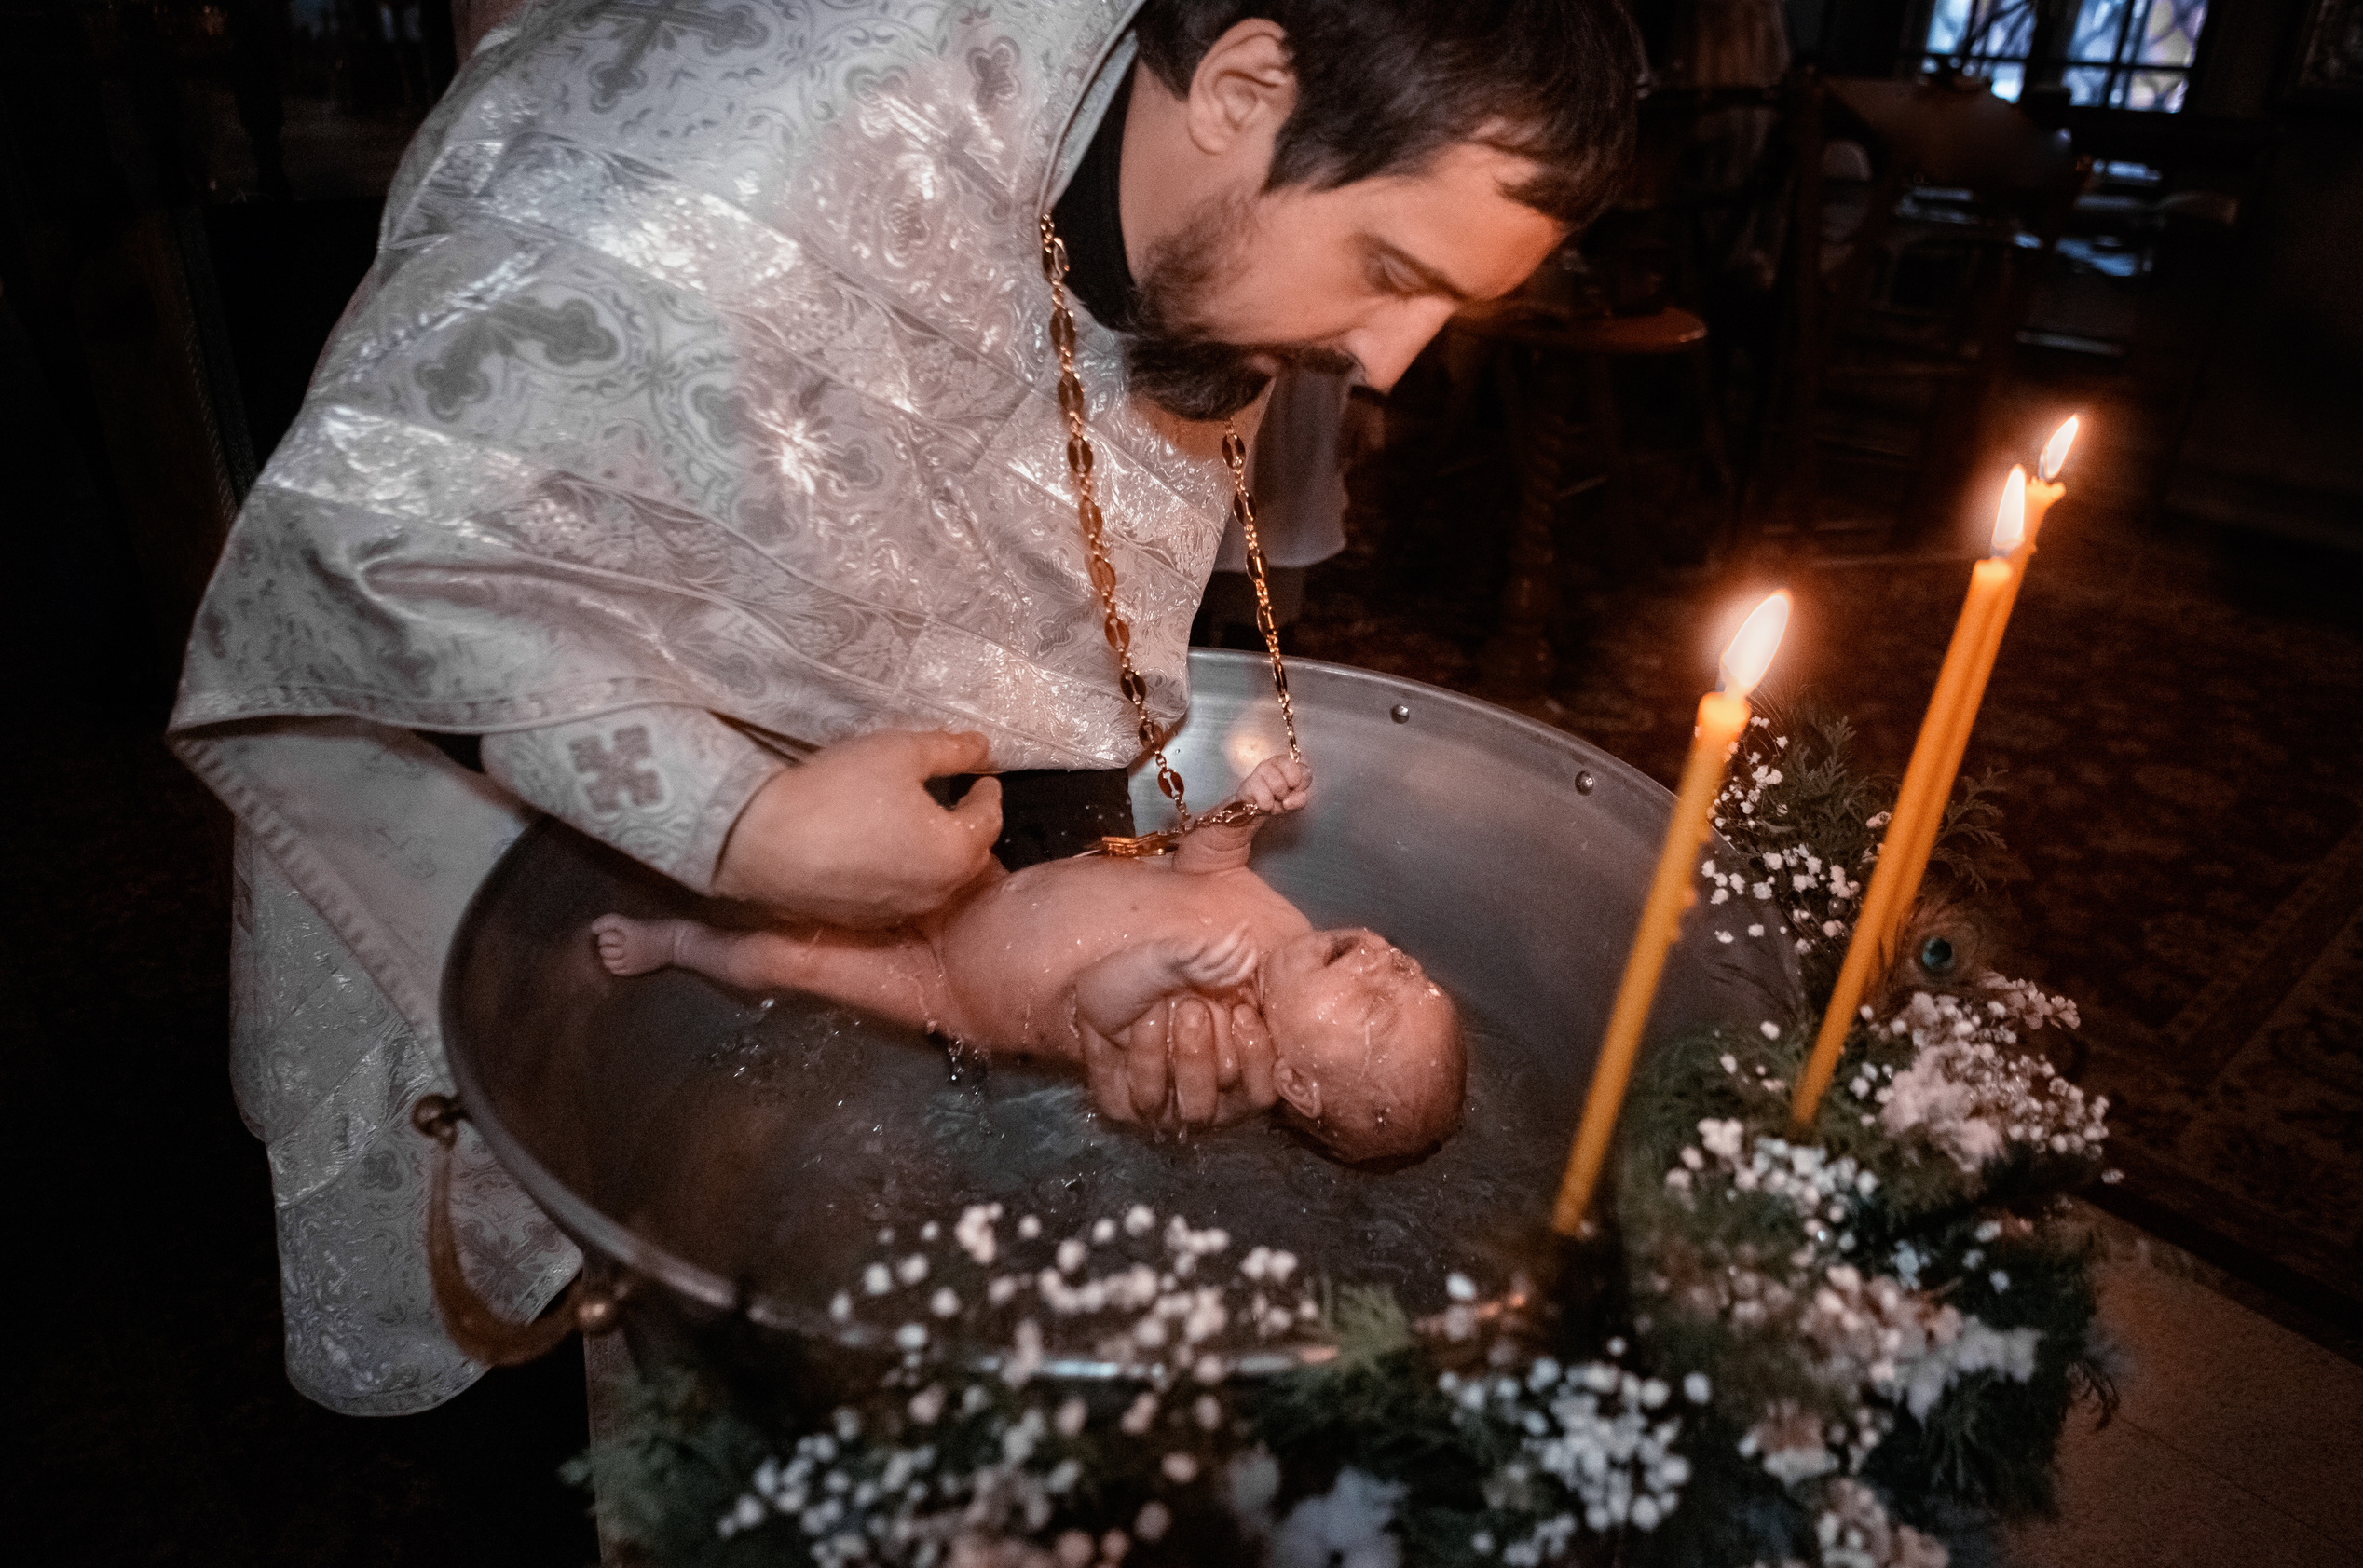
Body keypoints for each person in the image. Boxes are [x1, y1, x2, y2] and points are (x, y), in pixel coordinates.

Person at [169, 0, 1642, 1411]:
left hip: (896, 861)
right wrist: (732, 818)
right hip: (523, 790)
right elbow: (363, 542)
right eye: (1393, 269)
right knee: (566, 1263)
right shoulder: (752, 135)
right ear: (1245, 87)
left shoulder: (1218, 206)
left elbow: (1029, 543)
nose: (1389, 362)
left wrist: (1075, 925)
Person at [591, 753, 1468, 1162]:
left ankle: (683, 941)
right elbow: (1207, 863)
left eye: (1381, 1008)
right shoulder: (1281, 932)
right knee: (825, 878)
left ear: (1304, 1087)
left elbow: (1094, 1003)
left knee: (799, 960)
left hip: (950, 988)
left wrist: (1164, 969)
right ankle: (723, 832)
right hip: (990, 885)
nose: (1387, 966)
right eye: (1412, 972)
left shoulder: (1231, 1060)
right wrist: (1245, 808)